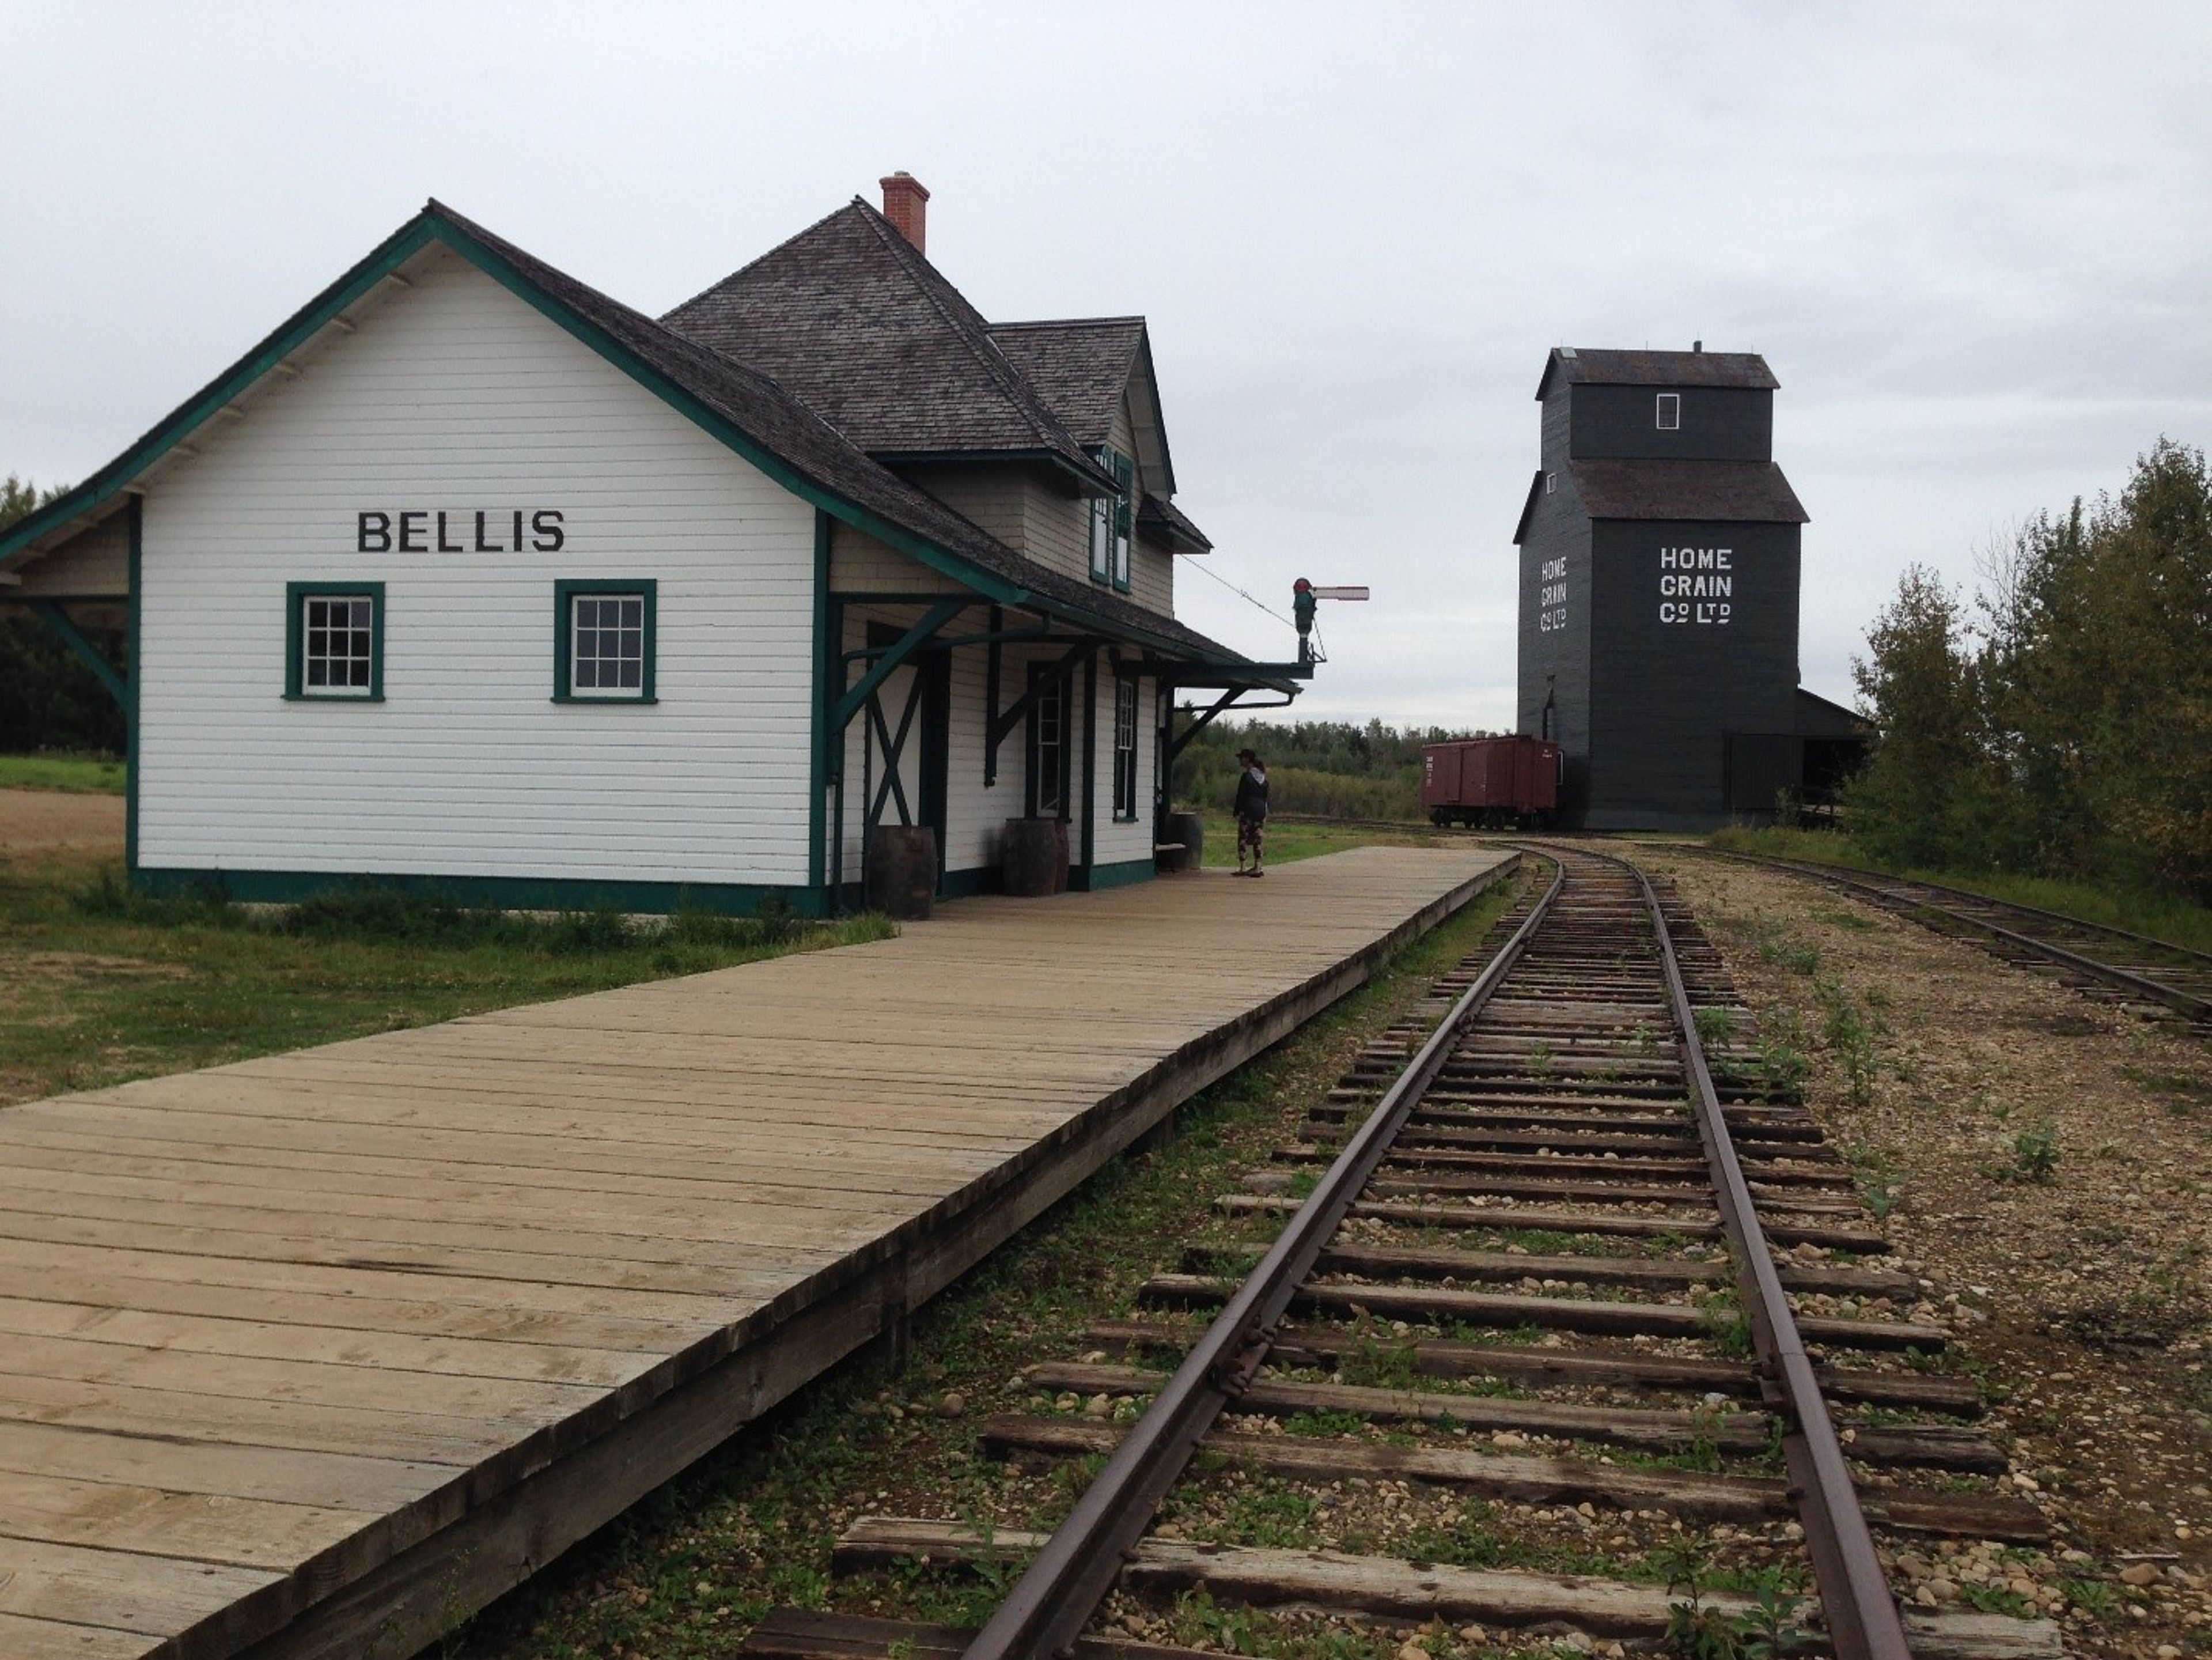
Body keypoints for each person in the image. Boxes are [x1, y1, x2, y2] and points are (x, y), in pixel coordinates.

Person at [1232, 748, 1269, 877]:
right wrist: (1265, 813)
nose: (1240, 761)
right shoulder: (1263, 778)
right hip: (1260, 811)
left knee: (1243, 837)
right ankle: (1258, 867)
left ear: (1247, 759)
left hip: (1247, 810)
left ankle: (1243, 867)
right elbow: (1265, 798)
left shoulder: (1246, 777)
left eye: (1241, 758)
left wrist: (1237, 812)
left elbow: (1241, 796)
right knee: (1257, 839)